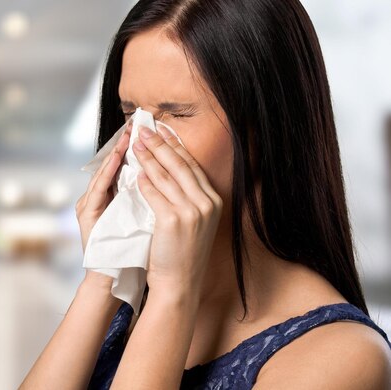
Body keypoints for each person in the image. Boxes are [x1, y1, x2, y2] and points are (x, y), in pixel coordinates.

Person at [20, 0, 391, 388]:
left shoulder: (341, 357)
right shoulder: (125, 307)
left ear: (265, 133)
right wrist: (102, 276)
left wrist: (173, 294)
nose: (137, 145)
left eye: (176, 113)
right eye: (130, 113)